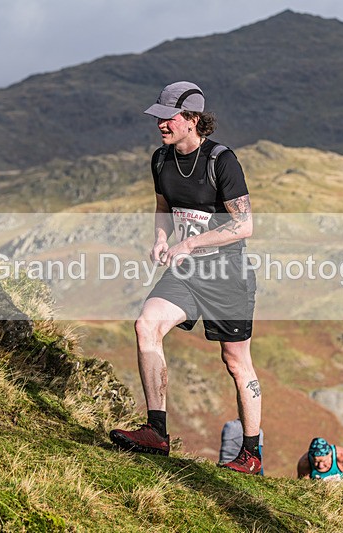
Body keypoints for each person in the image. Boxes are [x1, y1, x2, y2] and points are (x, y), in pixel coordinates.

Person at [109, 81, 262, 475]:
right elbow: (163, 205)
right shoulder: (160, 159)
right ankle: (156, 432)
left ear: (192, 119)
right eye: (158, 117)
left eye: (168, 117)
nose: (160, 124)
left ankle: (250, 453)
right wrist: (162, 239)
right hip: (186, 272)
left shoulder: (222, 160)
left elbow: (244, 226)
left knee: (235, 360)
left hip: (227, 273)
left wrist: (191, 245)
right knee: (146, 325)